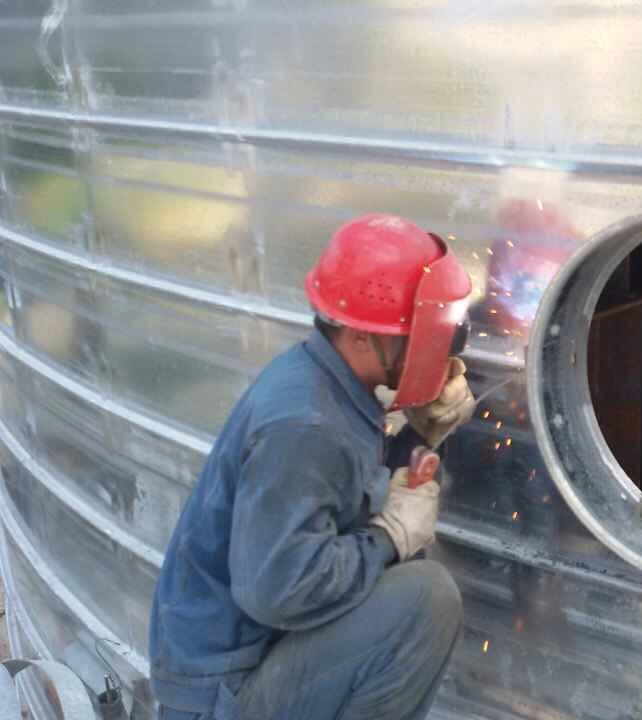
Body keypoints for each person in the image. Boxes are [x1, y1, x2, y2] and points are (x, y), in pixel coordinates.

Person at [149, 214, 477, 719]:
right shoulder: (306, 426)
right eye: (425, 332)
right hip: (223, 694)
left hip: (254, 656)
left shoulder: (324, 384)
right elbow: (278, 591)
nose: (443, 344)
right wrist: (389, 536)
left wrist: (421, 436)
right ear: (362, 337)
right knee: (426, 598)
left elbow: (334, 499)